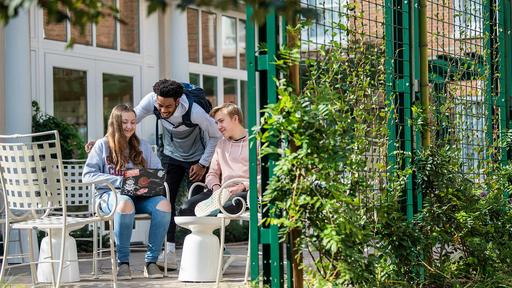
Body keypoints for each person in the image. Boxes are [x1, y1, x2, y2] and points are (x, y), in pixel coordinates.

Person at [134, 79, 221, 269]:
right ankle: (170, 252)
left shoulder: (195, 111)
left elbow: (216, 135)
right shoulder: (150, 101)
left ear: (178, 100)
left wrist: (203, 164)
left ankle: (213, 253)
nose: (163, 110)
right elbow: (128, 121)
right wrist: (105, 142)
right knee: (164, 201)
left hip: (197, 158)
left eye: (168, 106)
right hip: (169, 155)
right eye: (160, 105)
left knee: (200, 205)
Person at [83, 104, 172, 280]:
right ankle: (123, 263)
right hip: (110, 197)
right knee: (125, 202)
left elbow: (158, 171)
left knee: (164, 204)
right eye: (124, 122)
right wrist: (121, 180)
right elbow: (87, 176)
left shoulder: (143, 146)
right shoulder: (102, 145)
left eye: (133, 122)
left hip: (139, 197)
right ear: (115, 123)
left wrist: (147, 180)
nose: (129, 126)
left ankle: (151, 262)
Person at [179, 103, 249, 217]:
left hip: (247, 192)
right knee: (186, 209)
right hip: (221, 192)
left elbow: (264, 178)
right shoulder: (221, 144)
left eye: (221, 121)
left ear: (235, 119)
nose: (218, 126)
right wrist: (216, 188)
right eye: (217, 123)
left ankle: (213, 212)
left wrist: (242, 186)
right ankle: (206, 232)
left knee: (225, 207)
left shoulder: (255, 143)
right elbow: (212, 174)